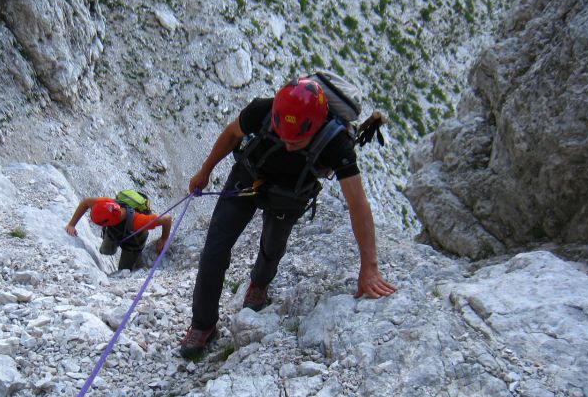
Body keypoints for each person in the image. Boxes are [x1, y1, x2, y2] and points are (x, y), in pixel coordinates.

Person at [180, 75, 397, 358]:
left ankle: (259, 284)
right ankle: (203, 325)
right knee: (213, 252)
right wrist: (205, 171)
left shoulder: (337, 144)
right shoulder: (263, 109)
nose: (287, 143)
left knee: (272, 248)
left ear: (318, 125)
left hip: (291, 195)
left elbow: (358, 203)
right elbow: (233, 134)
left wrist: (369, 267)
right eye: (283, 135)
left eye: (297, 141)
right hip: (248, 177)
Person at [66, 196, 171, 271]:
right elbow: (86, 202)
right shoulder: (106, 203)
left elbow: (167, 219)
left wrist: (164, 239)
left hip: (134, 241)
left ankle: (137, 261)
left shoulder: (139, 221)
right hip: (114, 231)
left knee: (124, 270)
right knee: (105, 251)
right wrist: (72, 224)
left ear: (109, 221)